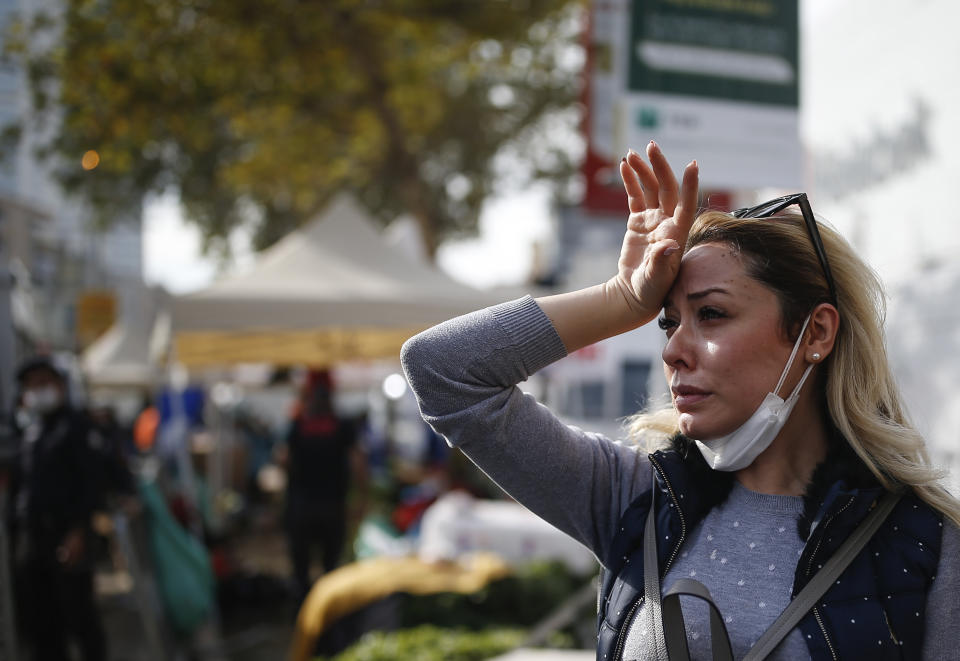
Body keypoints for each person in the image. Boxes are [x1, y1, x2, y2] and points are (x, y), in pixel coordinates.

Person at [400, 142, 960, 660]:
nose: (674, 351)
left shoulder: (927, 543)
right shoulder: (636, 497)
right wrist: (621, 299)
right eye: (668, 323)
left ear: (815, 333)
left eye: (711, 314)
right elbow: (443, 373)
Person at [6, 356, 107, 661]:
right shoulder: (31, 432)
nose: (37, 391)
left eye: (43, 383)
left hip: (67, 535)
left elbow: (91, 483)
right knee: (42, 624)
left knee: (79, 616)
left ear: (60, 386)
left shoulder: (76, 427)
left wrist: (79, 530)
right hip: (33, 540)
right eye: (31, 385)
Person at [280, 369, 367, 603]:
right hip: (333, 506)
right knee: (331, 568)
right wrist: (360, 498)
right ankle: (327, 617)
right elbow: (358, 463)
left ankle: (302, 615)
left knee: (300, 571)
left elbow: (283, 460)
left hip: (302, 506)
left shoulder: (297, 425)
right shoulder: (342, 425)